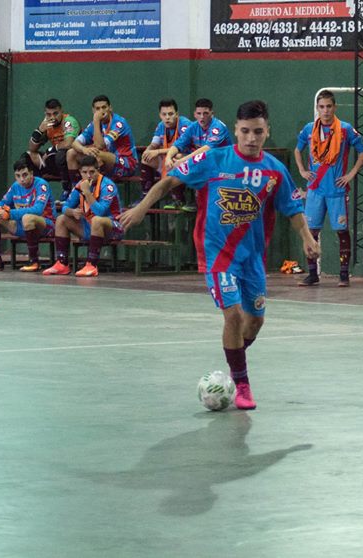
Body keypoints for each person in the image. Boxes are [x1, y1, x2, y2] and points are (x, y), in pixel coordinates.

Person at [121, 100, 319, 410]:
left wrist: (307, 238)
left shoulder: (275, 170)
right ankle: (241, 383)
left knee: (255, 322)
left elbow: (292, 209)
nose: (250, 138)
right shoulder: (213, 159)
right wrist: (141, 207)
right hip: (217, 254)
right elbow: (169, 182)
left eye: (257, 132)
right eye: (244, 131)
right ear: (235, 130)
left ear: (267, 132)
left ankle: (233, 362)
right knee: (234, 315)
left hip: (253, 257)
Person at [293, 89, 363, 287]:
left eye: (328, 106)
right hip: (315, 189)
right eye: (321, 107)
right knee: (311, 232)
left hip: (337, 190)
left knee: (342, 231)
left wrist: (350, 174)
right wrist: (302, 170)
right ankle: (312, 274)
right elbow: (297, 150)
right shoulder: (309, 129)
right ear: (317, 109)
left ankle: (344, 275)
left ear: (335, 107)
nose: (325, 111)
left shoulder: (345, 129)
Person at [165, 98, 233, 271]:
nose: (202, 117)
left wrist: (184, 160)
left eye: (206, 113)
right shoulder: (193, 127)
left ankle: (226, 260)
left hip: (225, 176)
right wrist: (168, 157)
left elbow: (206, 150)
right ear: (195, 114)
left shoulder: (218, 127)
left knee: (221, 220)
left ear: (212, 113)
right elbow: (178, 145)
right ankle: (207, 263)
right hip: (207, 176)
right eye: (199, 113)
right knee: (203, 222)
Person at [42, 155, 124, 277]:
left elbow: (100, 212)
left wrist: (87, 192)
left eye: (92, 172)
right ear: (80, 172)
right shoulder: (80, 185)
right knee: (61, 219)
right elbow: (65, 207)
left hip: (113, 228)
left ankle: (92, 265)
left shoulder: (107, 186)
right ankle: (62, 263)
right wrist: (72, 212)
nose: (88, 176)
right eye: (85, 172)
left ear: (98, 171)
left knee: (97, 220)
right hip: (89, 227)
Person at [0, 159, 56, 272]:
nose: (21, 179)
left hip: (46, 226)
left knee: (27, 217)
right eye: (18, 176)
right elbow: (1, 203)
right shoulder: (15, 187)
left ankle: (34, 261)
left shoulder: (42, 185)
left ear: (31, 173)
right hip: (22, 226)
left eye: (25, 175)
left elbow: (38, 210)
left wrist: (10, 213)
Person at [69, 95, 138, 182]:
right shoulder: (94, 124)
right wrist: (83, 150)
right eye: (97, 109)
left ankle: (98, 189)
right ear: (93, 110)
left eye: (104, 107)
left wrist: (96, 121)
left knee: (96, 154)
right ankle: (75, 189)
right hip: (105, 161)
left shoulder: (119, 123)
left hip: (126, 163)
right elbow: (74, 143)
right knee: (71, 153)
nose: (101, 111)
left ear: (110, 108)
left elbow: (100, 145)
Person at [139, 98, 193, 208]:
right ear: (160, 115)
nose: (167, 117)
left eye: (170, 114)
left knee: (176, 157)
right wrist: (148, 150)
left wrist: (157, 151)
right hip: (167, 161)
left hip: (187, 162)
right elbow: (154, 144)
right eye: (164, 114)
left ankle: (179, 198)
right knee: (146, 158)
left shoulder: (185, 125)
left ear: (177, 114)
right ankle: (146, 196)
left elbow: (179, 148)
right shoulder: (160, 126)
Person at [26, 98, 81, 200]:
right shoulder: (48, 125)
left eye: (55, 113)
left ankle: (68, 190)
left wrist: (50, 150)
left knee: (61, 154)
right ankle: (34, 193)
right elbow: (32, 148)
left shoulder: (68, 121)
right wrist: (39, 131)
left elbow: (69, 143)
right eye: (49, 114)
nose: (52, 117)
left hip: (74, 161)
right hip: (55, 162)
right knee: (27, 156)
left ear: (61, 111)